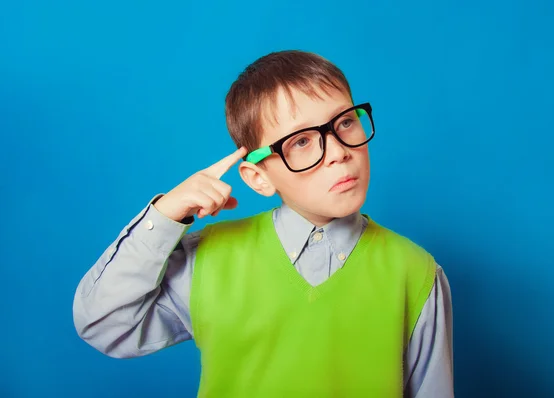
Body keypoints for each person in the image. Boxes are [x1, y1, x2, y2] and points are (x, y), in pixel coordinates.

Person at [73, 50, 454, 397]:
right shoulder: (210, 259)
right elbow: (104, 324)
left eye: (346, 122)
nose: (339, 151)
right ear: (258, 178)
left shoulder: (415, 271)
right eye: (301, 142)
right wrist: (164, 216)